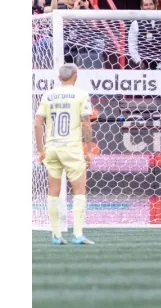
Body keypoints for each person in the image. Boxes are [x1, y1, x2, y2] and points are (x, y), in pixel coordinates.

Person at [34, 64, 95, 246]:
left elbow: (37, 124)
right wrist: (89, 150)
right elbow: (86, 124)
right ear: (75, 76)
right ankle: (77, 235)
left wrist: (40, 150)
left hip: (52, 147)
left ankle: (56, 235)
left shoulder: (48, 95)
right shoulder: (81, 95)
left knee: (53, 191)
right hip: (72, 149)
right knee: (79, 191)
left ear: (59, 78)